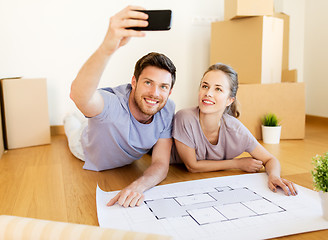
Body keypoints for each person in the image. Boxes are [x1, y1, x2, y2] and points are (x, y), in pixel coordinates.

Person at [65, 6, 177, 208]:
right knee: (72, 123)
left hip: (113, 141)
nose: (155, 93)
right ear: (133, 82)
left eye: (163, 87)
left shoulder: (167, 108)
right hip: (86, 146)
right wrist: (107, 48)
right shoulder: (113, 105)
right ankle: (70, 118)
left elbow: (160, 163)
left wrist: (138, 186)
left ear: (169, 92)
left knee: (87, 115)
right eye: (148, 83)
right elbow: (78, 95)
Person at [172, 63, 297, 196]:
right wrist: (237, 164)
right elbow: (192, 166)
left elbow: (270, 159)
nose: (208, 93)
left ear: (229, 100)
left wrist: (274, 176)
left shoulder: (235, 129)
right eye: (205, 86)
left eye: (218, 89)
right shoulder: (184, 117)